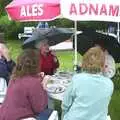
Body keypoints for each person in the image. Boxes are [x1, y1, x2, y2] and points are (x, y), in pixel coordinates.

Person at [62, 46, 114, 120]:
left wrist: (64, 115)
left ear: (85, 61)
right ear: (103, 64)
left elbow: (65, 104)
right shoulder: (109, 84)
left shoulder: (77, 79)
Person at [0, 49, 49, 120]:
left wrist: (37, 77)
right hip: (19, 117)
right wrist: (44, 86)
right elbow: (40, 108)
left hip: (4, 115)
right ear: (37, 64)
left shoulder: (14, 76)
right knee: (48, 114)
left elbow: (26, 83)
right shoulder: (34, 82)